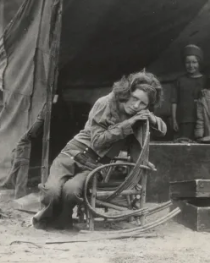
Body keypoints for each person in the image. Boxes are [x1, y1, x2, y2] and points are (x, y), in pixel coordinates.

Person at [32, 72, 167, 231]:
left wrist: (151, 118)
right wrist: (127, 124)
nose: (136, 106)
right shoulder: (105, 103)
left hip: (96, 165)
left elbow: (162, 130)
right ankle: (46, 218)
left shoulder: (139, 116)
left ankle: (64, 221)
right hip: (72, 153)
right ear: (127, 92)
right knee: (52, 192)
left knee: (71, 191)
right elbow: (97, 141)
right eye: (134, 98)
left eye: (143, 104)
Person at [2, 105, 46, 199]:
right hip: (23, 149)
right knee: (21, 175)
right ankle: (19, 196)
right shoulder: (28, 136)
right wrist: (42, 117)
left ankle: (12, 190)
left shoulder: (28, 137)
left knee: (16, 173)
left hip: (22, 149)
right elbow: (33, 130)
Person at [171, 45, 207, 141]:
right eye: (188, 62)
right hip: (183, 120)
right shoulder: (179, 80)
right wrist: (174, 119)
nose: (191, 66)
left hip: (201, 120)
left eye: (194, 62)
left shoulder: (205, 80)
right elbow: (174, 101)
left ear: (199, 62)